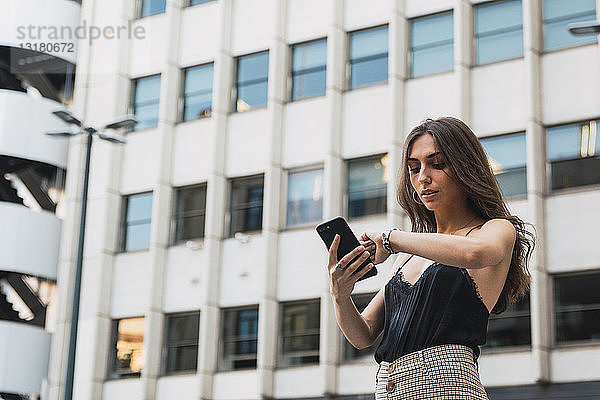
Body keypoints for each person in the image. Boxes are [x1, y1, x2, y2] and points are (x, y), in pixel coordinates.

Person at [326, 117, 535, 399]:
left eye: (437, 164)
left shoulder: (495, 229)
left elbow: (474, 253)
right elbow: (363, 334)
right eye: (414, 168)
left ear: (466, 167)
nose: (422, 177)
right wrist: (340, 294)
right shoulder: (411, 252)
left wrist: (391, 238)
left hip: (448, 388)